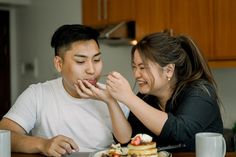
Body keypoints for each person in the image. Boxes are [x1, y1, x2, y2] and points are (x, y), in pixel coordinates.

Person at [77, 32, 223, 151]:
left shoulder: (200, 92)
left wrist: (128, 97)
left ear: (169, 70)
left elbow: (179, 131)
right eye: (134, 66)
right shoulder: (146, 98)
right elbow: (125, 139)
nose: (136, 74)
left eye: (143, 67)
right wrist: (111, 100)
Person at [0, 24, 129, 156]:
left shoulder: (112, 95)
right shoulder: (37, 94)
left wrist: (110, 101)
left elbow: (125, 139)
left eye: (97, 59)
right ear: (59, 64)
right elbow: (4, 135)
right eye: (80, 61)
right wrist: (43, 144)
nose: (92, 70)